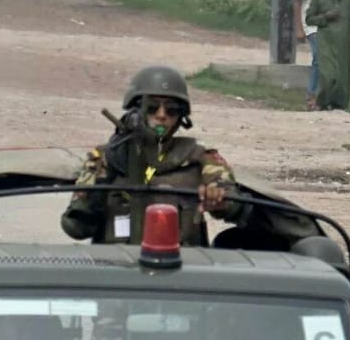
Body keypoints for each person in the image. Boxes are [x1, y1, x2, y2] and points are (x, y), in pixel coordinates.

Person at [60, 65, 244, 248]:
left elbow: (235, 204)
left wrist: (218, 199)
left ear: (181, 117)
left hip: (183, 268)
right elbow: (76, 228)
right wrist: (97, 192)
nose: (161, 115)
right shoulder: (105, 158)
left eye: (171, 109)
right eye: (152, 107)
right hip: (116, 267)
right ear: (134, 110)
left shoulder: (201, 158)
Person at [295, 0, 334, 110]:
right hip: (311, 25)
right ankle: (311, 97)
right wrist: (299, 28)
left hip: (325, 24)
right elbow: (297, 2)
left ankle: (322, 97)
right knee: (318, 59)